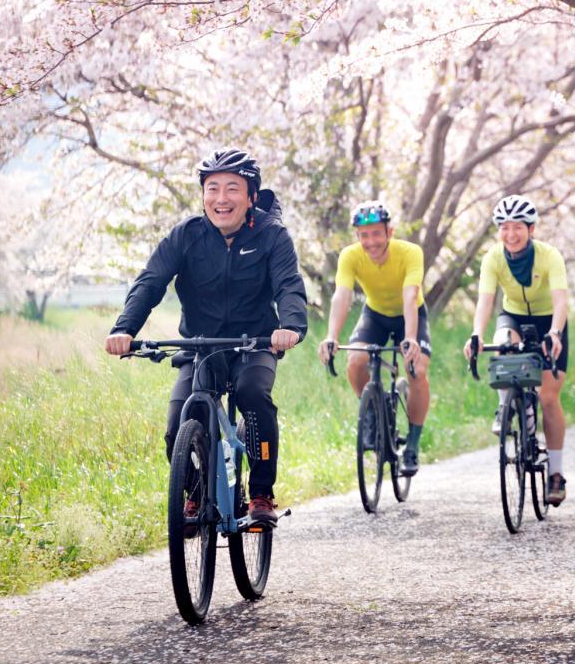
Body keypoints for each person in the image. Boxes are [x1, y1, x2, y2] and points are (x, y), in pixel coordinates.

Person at [104, 149, 307, 524]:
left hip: (255, 344)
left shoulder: (272, 235)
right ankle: (197, 495)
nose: (221, 198)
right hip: (200, 346)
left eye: (232, 188)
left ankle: (261, 493)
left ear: (251, 197)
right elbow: (150, 282)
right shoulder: (186, 236)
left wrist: (291, 326)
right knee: (179, 423)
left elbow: (288, 286)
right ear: (202, 196)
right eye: (212, 188)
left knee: (252, 394)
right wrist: (124, 329)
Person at [462, 194, 570, 506]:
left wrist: (555, 333)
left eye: (518, 227)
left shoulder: (549, 256)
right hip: (513, 316)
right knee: (502, 342)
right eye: (504, 227)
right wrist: (476, 334)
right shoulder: (493, 258)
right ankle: (505, 407)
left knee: (548, 397)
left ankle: (556, 474)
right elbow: (485, 300)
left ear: (531, 229)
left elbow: (561, 300)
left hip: (549, 320)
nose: (511, 234)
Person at [317, 201, 433, 476]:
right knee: (356, 361)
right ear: (357, 236)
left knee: (416, 371)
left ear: (390, 232)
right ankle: (370, 411)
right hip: (375, 314)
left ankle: (412, 445)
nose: (371, 241)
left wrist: (410, 338)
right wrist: (332, 336)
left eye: (377, 234)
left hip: (410, 314)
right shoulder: (350, 255)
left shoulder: (410, 252)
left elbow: (410, 295)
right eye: (364, 235)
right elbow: (342, 295)